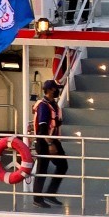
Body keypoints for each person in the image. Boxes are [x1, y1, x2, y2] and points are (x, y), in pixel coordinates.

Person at [32, 79, 67, 208]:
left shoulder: (53, 105)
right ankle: (37, 198)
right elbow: (42, 128)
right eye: (56, 88)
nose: (58, 90)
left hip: (53, 140)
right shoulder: (43, 106)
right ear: (51, 90)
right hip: (44, 142)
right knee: (42, 169)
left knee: (63, 165)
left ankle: (50, 194)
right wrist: (50, 144)